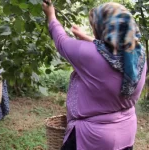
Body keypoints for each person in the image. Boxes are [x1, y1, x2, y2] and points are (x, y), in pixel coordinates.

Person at [42, 1, 146, 150]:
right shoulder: (139, 56)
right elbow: (110, 50)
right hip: (126, 132)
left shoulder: (88, 54)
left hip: (93, 138)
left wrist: (51, 15)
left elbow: (61, 42)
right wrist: (85, 37)